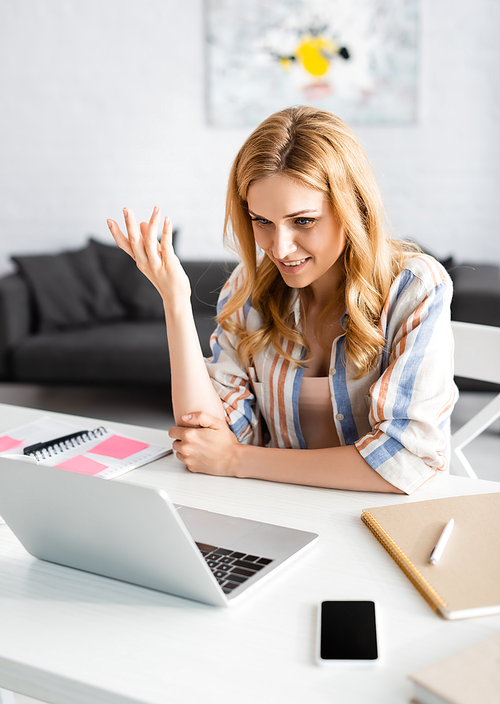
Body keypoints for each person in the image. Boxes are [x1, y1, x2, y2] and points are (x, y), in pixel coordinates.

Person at [107, 106, 457, 495]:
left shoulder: (414, 287)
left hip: (385, 520)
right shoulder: (249, 287)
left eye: (303, 221)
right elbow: (204, 439)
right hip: (278, 507)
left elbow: (404, 462)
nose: (280, 248)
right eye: (262, 222)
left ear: (353, 207)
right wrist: (175, 301)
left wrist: (236, 460)